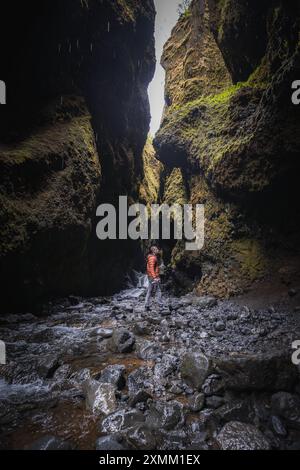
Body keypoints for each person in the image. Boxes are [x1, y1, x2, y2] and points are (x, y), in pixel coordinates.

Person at [145, 245, 163, 311]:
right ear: (153, 251)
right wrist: (155, 277)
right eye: (156, 249)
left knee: (150, 290)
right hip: (153, 277)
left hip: (151, 276)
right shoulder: (152, 258)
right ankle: (160, 305)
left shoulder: (152, 257)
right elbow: (151, 268)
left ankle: (147, 305)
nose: (158, 250)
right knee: (158, 290)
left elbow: (152, 268)